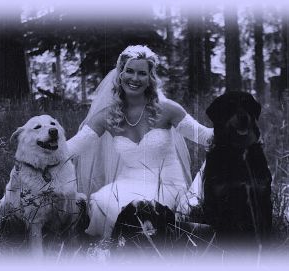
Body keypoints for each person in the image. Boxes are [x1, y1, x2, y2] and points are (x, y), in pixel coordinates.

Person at [66, 45, 213, 238]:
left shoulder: (168, 109)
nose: (134, 79)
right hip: (126, 182)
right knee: (102, 201)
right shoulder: (107, 117)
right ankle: (114, 251)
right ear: (120, 73)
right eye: (129, 71)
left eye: (142, 73)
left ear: (150, 78)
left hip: (167, 184)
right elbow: (72, 148)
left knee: (142, 210)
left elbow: (204, 137)